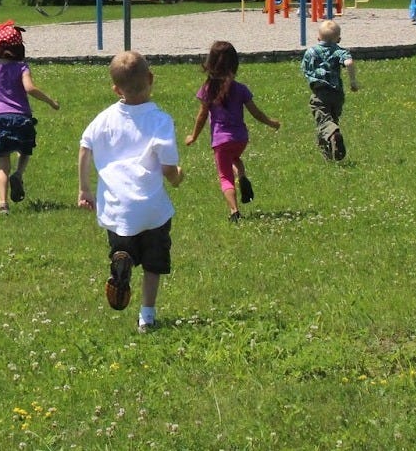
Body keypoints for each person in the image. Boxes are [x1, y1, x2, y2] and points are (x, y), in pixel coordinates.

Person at [78, 51, 184, 333]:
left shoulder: (104, 119)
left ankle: (121, 259)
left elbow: (84, 148)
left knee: (124, 245)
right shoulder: (160, 120)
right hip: (152, 208)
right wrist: (177, 178)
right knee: (153, 262)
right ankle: (146, 317)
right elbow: (168, 167)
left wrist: (85, 188)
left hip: (116, 206)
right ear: (151, 79)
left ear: (115, 88)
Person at [183, 41, 281, 223]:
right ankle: (242, 176)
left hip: (221, 141)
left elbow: (202, 116)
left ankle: (234, 211)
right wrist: (270, 122)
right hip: (240, 139)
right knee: (235, 159)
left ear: (210, 64)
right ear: (235, 64)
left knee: (225, 177)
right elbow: (255, 112)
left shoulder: (208, 90)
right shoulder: (241, 89)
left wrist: (193, 136)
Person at [0, 20, 59, 213]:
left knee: (2, 164)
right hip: (22, 118)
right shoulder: (22, 67)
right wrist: (50, 101)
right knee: (25, 149)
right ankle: (19, 173)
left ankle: (2, 204)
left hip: (1, 119)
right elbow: (30, 88)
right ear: (19, 47)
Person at [300, 20, 359, 161]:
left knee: (324, 122)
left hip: (320, 93)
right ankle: (330, 153)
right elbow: (349, 62)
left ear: (318, 38)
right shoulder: (338, 51)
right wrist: (353, 81)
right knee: (332, 120)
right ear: (338, 39)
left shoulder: (311, 52)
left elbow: (304, 68)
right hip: (337, 94)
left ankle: (334, 136)